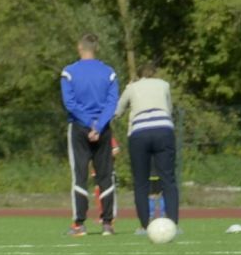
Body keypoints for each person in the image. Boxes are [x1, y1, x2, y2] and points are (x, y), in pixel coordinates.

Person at [60, 34, 119, 236]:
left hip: (78, 127)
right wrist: (99, 125)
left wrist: (88, 123)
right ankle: (107, 224)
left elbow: (70, 103)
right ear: (97, 48)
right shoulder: (109, 72)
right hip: (102, 129)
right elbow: (112, 103)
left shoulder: (69, 72)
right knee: (105, 175)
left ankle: (79, 224)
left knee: (80, 176)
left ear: (79, 47)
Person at [117, 62, 178, 232]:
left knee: (141, 182)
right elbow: (169, 109)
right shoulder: (164, 85)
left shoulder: (132, 87)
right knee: (168, 179)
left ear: (139, 74)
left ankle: (145, 225)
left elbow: (118, 109)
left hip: (139, 133)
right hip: (164, 130)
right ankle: (172, 222)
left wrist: (129, 89)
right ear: (155, 73)